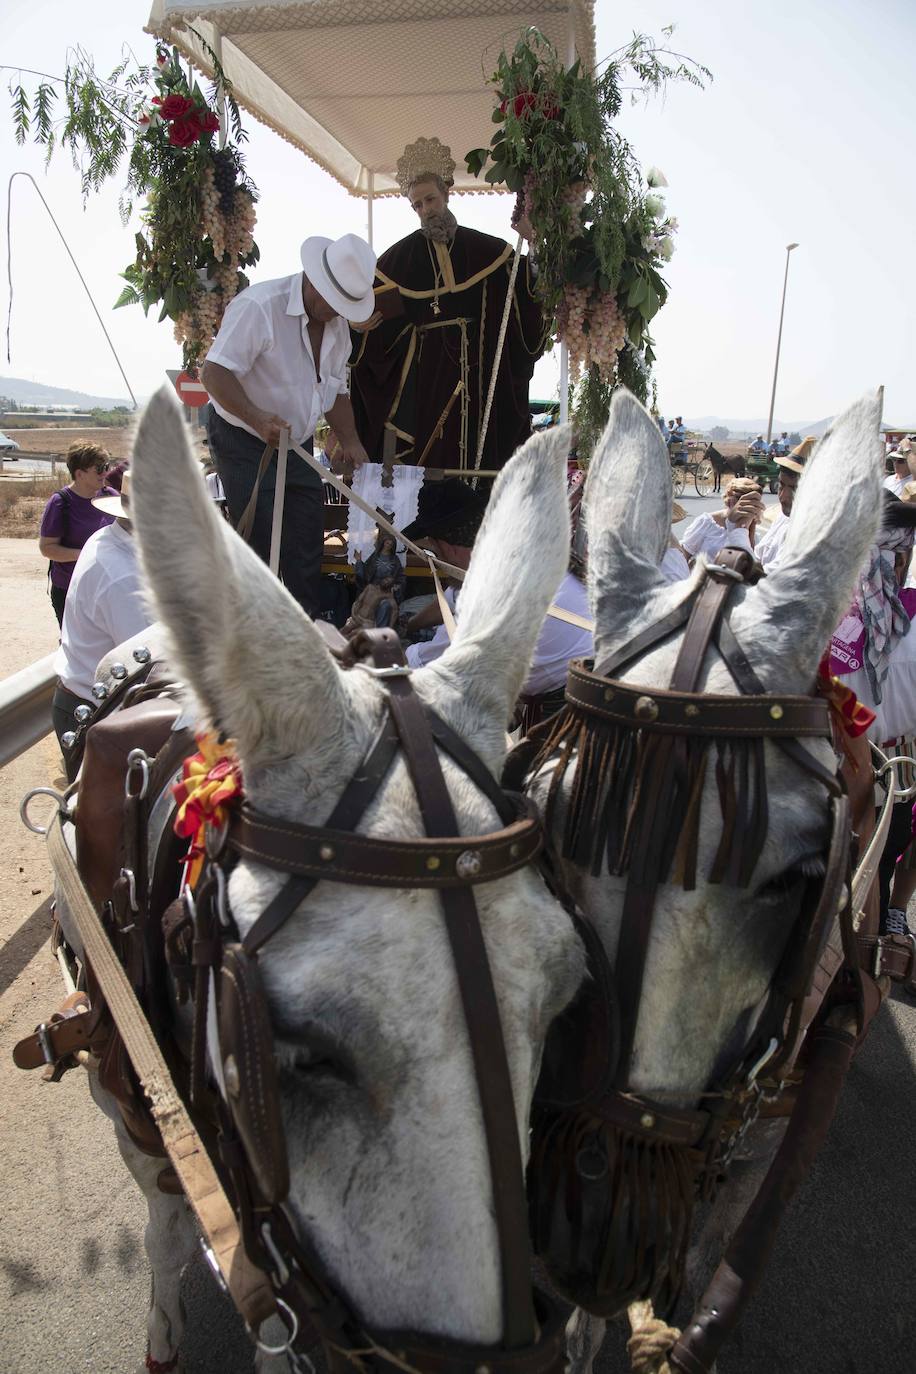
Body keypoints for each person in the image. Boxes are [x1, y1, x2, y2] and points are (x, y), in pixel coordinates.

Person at [201, 232, 376, 617]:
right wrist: (256, 417)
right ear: (314, 279)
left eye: (346, 306)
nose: (337, 312)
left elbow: (337, 391)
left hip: (295, 440)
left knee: (305, 535)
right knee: (261, 538)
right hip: (241, 435)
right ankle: (256, 633)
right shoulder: (260, 306)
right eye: (334, 302)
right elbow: (213, 373)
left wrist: (351, 441)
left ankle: (309, 631)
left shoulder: (337, 326)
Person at [349, 137, 544, 471]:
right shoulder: (395, 263)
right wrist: (358, 326)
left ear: (446, 195)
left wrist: (535, 243)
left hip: (481, 378)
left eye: (430, 200)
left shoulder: (489, 253)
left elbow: (525, 296)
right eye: (418, 205)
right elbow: (376, 330)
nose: (426, 210)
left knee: (479, 465)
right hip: (427, 383)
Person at [399, 479, 593, 698]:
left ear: (445, 547)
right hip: (590, 670)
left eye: (435, 553)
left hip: (582, 696)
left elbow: (430, 662)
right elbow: (451, 600)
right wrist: (408, 625)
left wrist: (380, 646)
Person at [51, 473, 152, 779]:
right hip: (100, 716)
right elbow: (152, 666)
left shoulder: (108, 538)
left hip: (90, 704)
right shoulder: (125, 579)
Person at [38, 442, 119, 627]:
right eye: (99, 469)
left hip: (105, 586)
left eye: (107, 466)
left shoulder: (110, 496)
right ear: (79, 473)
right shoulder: (60, 503)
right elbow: (47, 548)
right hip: (70, 588)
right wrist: (85, 554)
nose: (105, 473)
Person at [753, 436, 816, 568]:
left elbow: (771, 575)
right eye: (781, 485)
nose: (784, 497)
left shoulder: (809, 531)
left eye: (795, 489)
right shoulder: (783, 518)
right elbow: (759, 557)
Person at [680, 477, 766, 561]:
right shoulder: (707, 522)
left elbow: (750, 561)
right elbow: (684, 555)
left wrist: (750, 529)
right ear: (729, 500)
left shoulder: (750, 530)